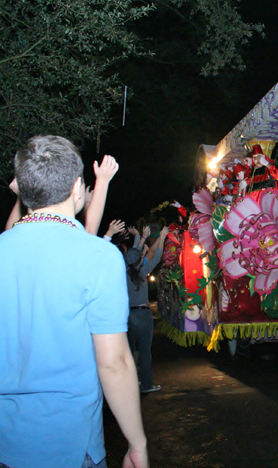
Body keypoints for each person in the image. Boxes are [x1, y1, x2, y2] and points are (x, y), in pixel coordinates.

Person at [0, 135, 148, 468]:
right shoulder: (98, 256)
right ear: (77, 188)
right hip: (71, 444)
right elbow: (114, 364)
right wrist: (137, 443)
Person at [126, 225, 168, 393]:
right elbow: (157, 256)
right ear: (139, 260)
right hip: (143, 315)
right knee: (144, 353)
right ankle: (146, 385)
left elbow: (133, 254)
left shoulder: (121, 272)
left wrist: (140, 238)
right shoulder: (142, 272)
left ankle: (129, 384)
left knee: (128, 353)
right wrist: (163, 237)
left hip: (127, 316)